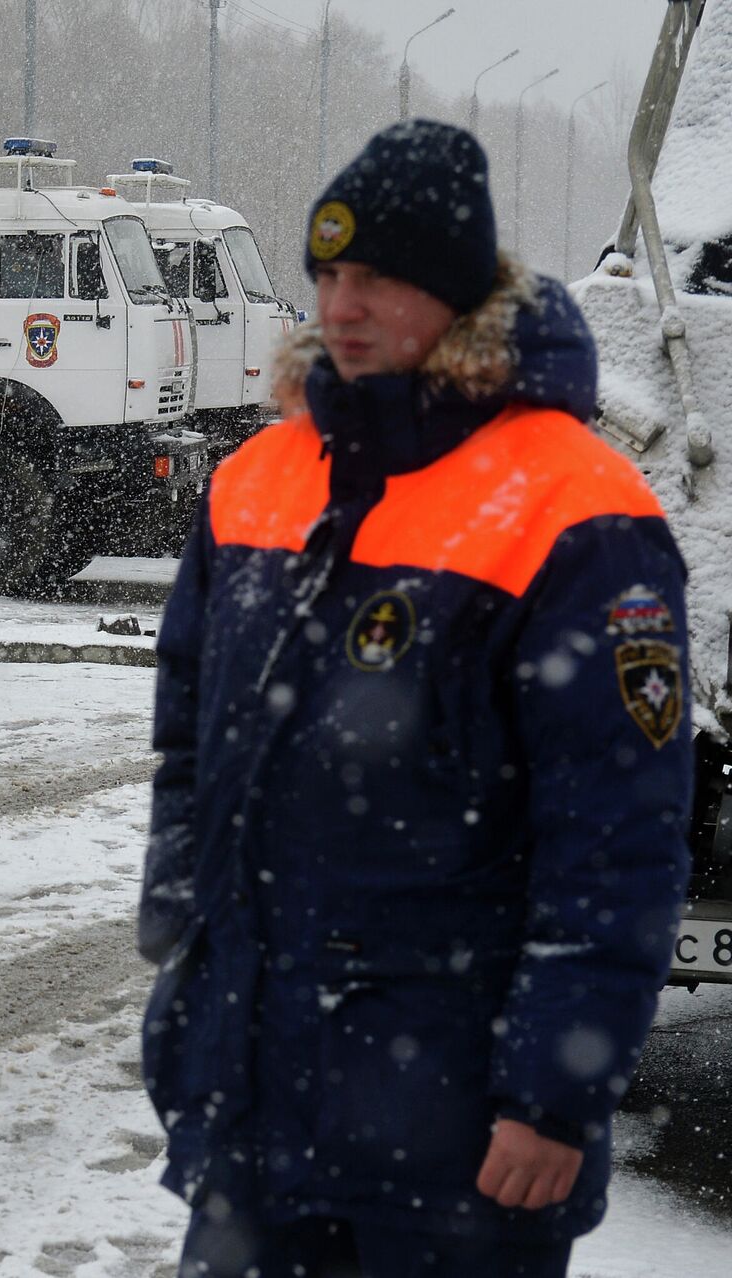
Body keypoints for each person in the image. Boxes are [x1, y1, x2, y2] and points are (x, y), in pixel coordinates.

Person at [138, 119, 693, 1278]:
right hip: (252, 1115)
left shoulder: (575, 506)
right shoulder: (257, 478)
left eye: (379, 278)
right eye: (328, 275)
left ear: (455, 291)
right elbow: (187, 738)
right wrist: (182, 929)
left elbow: (617, 833)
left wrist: (554, 1093)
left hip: (454, 1139)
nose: (341, 307)